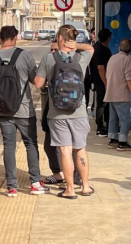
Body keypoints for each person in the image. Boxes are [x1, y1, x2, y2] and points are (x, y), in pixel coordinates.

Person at [0, 26, 47, 198]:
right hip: (25, 110)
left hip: (2, 111)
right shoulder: (24, 56)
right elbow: (35, 80)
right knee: (31, 144)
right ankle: (35, 183)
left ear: (1, 38)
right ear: (15, 37)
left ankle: (12, 186)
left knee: (8, 146)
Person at [35, 25, 94, 199]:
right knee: (80, 149)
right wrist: (77, 46)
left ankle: (69, 189)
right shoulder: (81, 57)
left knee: (65, 150)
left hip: (57, 113)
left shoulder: (49, 59)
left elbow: (38, 84)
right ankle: (85, 187)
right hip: (79, 111)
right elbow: (91, 47)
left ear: (60, 38)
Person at [42, 42, 81, 188]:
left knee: (67, 147)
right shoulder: (48, 60)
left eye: (55, 49)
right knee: (49, 142)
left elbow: (38, 82)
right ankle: (58, 173)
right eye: (51, 49)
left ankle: (68, 176)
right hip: (52, 106)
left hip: (69, 110)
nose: (52, 52)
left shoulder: (76, 60)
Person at [105, 39, 131, 151]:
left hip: (110, 93)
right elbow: (129, 78)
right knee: (126, 118)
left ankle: (112, 140)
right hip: (121, 94)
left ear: (119, 47)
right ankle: (122, 142)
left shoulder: (112, 58)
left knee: (113, 118)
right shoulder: (127, 59)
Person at [90, 29, 112, 137]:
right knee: (102, 104)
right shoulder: (101, 50)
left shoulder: (97, 46)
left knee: (105, 104)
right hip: (101, 81)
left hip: (99, 80)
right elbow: (101, 68)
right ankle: (100, 127)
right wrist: (106, 83)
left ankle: (107, 125)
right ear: (108, 38)